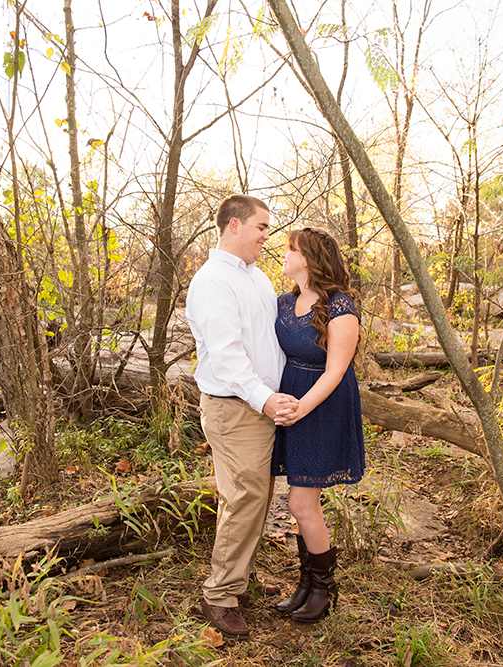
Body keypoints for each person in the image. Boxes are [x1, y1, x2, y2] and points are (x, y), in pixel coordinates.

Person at [186, 194, 299, 637]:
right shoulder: (213, 281)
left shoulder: (255, 277)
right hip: (236, 408)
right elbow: (228, 356)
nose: (267, 236)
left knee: (256, 498)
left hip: (261, 404)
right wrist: (265, 398)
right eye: (261, 227)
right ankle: (220, 594)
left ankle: (236, 582)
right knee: (245, 499)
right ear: (234, 226)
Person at [270, 226, 365, 623]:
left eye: (291, 248)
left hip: (321, 404)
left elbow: (336, 371)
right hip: (289, 398)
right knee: (300, 500)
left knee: (300, 502)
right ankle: (307, 584)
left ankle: (324, 588)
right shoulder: (283, 302)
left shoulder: (339, 307)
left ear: (309, 257)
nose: (284, 254)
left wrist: (301, 408)